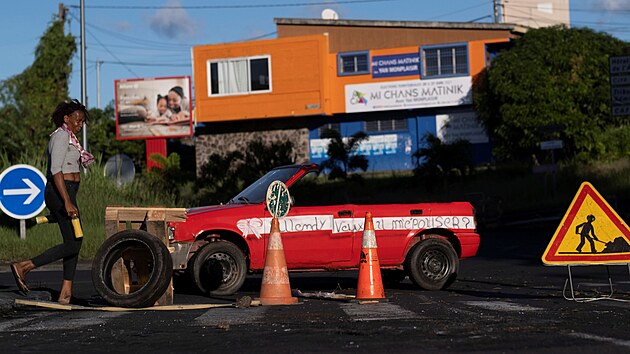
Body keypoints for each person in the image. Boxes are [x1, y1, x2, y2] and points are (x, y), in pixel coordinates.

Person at [10, 99, 94, 305]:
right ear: (66, 118)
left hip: (67, 192)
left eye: (82, 122)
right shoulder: (61, 136)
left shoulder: (71, 138)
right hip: (59, 192)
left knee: (74, 241)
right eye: (77, 120)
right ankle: (25, 266)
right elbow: (56, 170)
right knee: (74, 241)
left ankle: (65, 292)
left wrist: (70, 197)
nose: (80, 125)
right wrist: (66, 201)